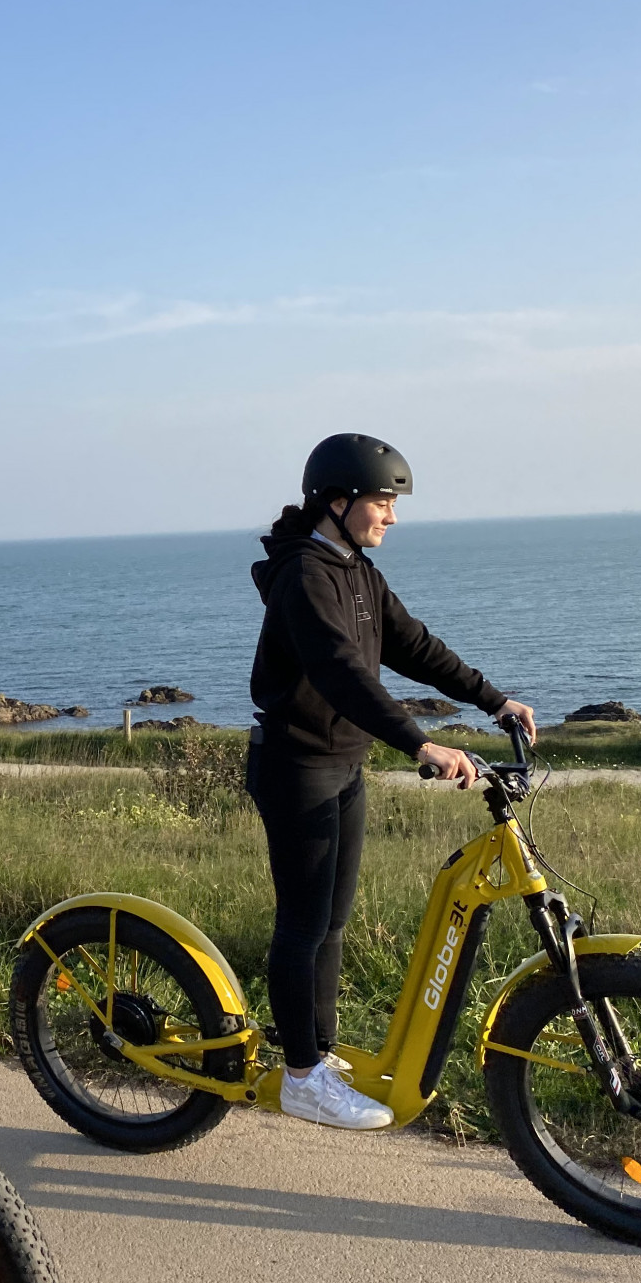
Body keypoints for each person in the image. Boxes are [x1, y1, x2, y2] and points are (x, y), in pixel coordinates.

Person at [247, 435, 535, 1130]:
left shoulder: (357, 570)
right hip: (297, 766)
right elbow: (342, 670)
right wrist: (418, 741)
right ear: (338, 501)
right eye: (383, 501)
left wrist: (491, 697)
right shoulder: (305, 577)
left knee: (333, 921)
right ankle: (301, 1078)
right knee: (304, 922)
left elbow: (411, 644)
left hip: (342, 760)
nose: (392, 517)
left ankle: (315, 1052)